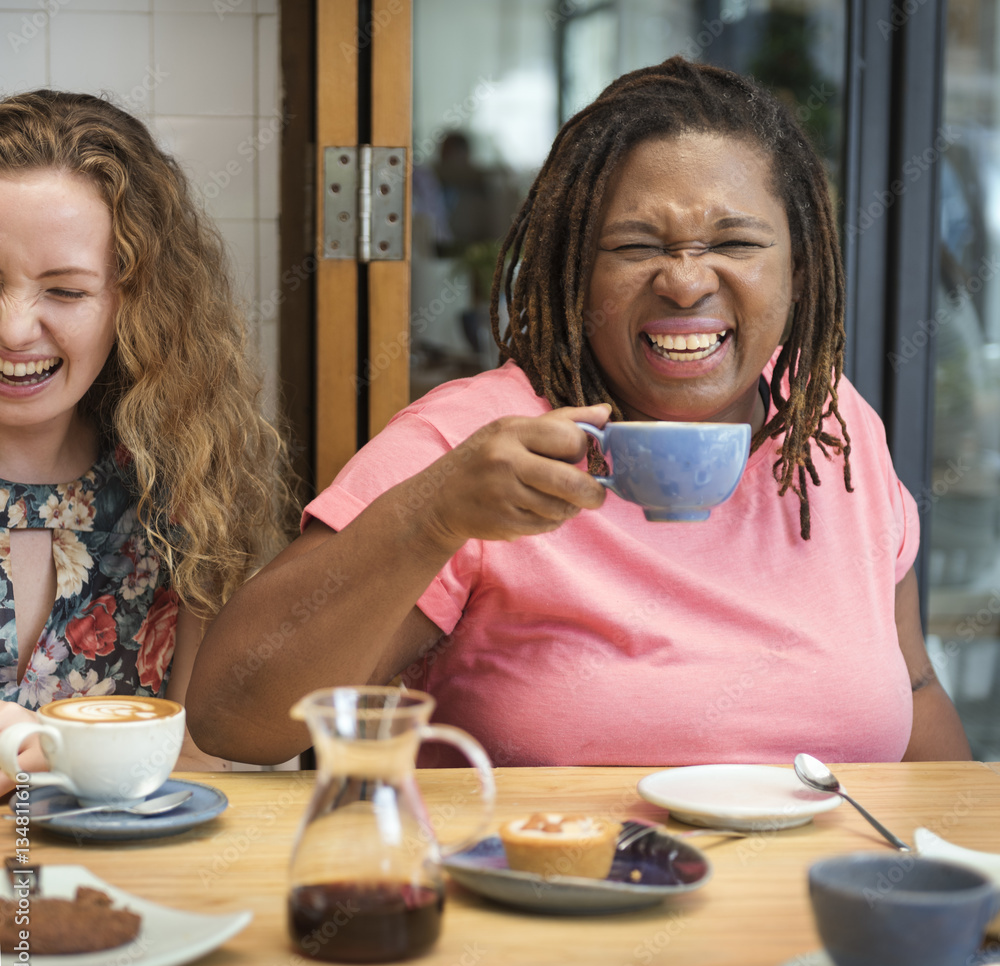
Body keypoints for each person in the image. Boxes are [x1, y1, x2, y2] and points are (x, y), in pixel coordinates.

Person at [188, 57, 971, 767]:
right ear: (570, 270)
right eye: (635, 247)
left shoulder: (828, 422)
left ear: (800, 267)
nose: (686, 282)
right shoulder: (474, 443)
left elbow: (916, 686)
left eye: (734, 242)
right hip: (544, 908)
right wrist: (432, 515)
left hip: (809, 916)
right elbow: (234, 718)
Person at [0, 90, 296, 792]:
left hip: (115, 891)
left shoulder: (180, 485)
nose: (14, 330)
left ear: (134, 302)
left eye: (65, 293)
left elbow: (197, 765)